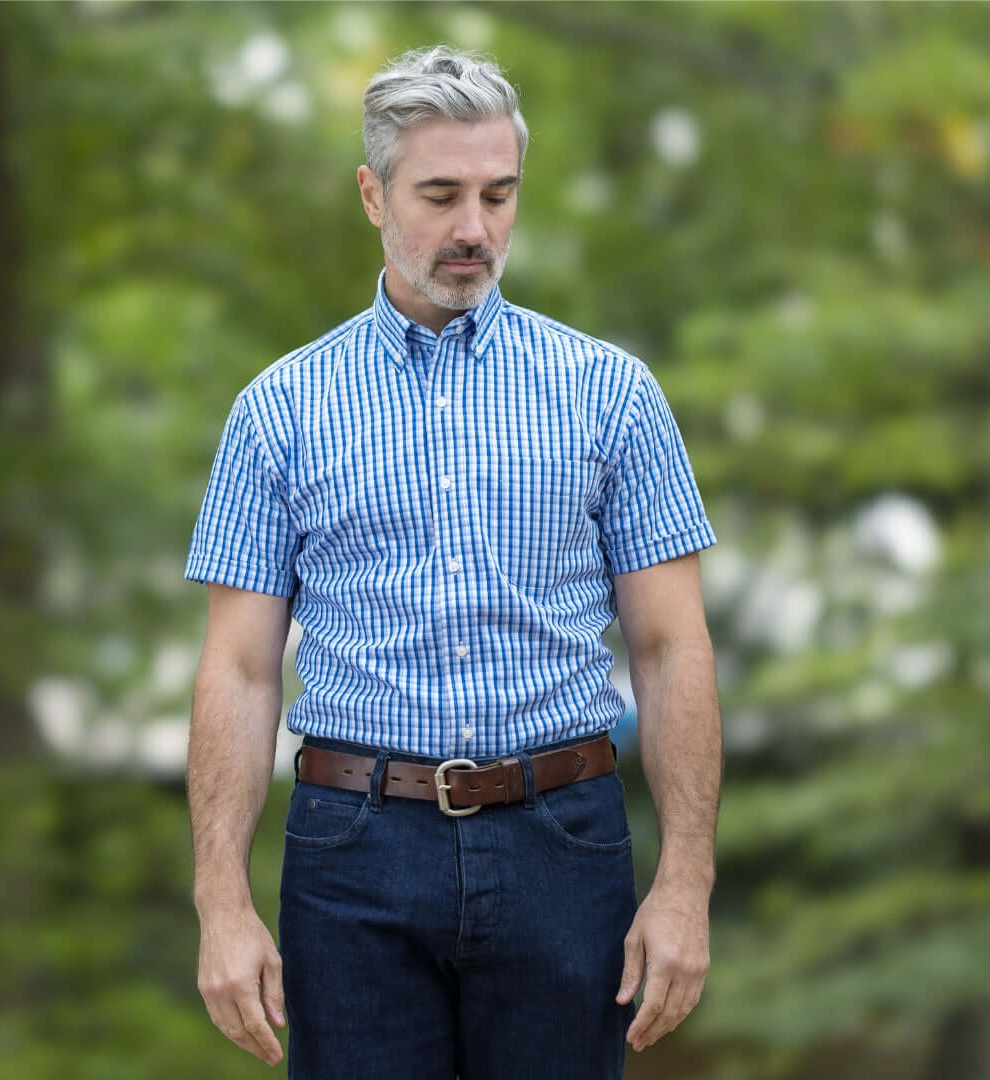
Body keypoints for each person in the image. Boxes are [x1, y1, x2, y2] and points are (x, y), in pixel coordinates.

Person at [184, 44, 722, 1080]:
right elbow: (239, 669)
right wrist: (219, 902)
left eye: (498, 193)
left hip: (566, 847)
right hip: (351, 855)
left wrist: (686, 882)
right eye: (440, 194)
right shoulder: (279, 412)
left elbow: (671, 645)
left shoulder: (611, 394)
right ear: (373, 194)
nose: (474, 228)